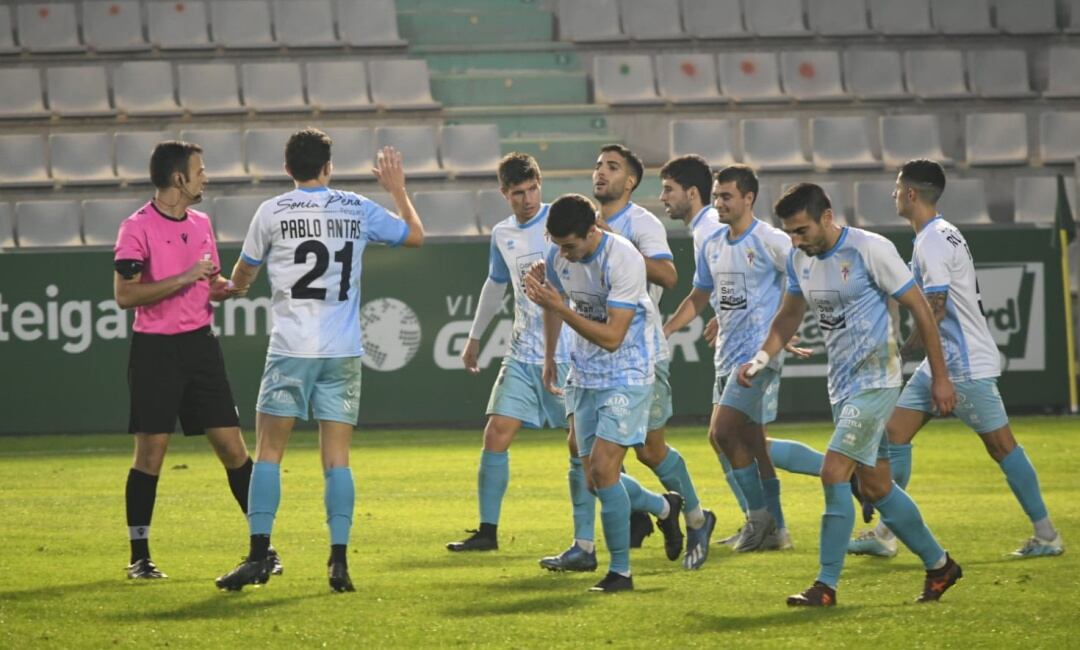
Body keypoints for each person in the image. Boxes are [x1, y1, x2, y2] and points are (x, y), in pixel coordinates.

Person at [214, 129, 424, 592]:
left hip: (290, 349)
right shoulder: (355, 207)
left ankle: (257, 557)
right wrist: (397, 191)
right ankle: (339, 563)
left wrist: (236, 286)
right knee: (337, 461)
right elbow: (414, 235)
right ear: (329, 167)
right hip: (342, 352)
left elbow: (245, 271)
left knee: (269, 454)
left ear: (288, 168)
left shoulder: (272, 211)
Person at [744, 182, 962, 606]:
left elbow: (920, 307)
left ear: (827, 217)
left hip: (877, 379)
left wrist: (940, 377)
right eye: (789, 232)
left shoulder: (869, 249)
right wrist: (760, 358)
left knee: (833, 473)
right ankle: (941, 566)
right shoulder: (798, 258)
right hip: (842, 384)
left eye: (801, 230)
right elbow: (787, 318)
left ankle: (825, 586)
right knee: (878, 486)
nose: (795, 240)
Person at [849, 160, 1064, 559]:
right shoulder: (943, 233)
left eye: (897, 188)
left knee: (1002, 447)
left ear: (911, 194)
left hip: (961, 365)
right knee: (893, 435)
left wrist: (933, 370)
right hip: (943, 360)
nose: (894, 194)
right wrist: (913, 352)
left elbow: (936, 308)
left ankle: (1047, 535)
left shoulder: (931, 241)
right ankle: (885, 532)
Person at [541, 145, 713, 571]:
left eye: (612, 167)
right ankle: (585, 544)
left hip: (639, 353)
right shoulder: (571, 227)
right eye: (598, 165)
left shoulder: (639, 225)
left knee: (650, 452)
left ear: (631, 181)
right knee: (583, 453)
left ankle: (689, 513)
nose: (601, 172)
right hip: (590, 356)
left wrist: (622, 252)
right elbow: (559, 300)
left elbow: (670, 277)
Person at [113, 140, 274, 580]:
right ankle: (140, 556)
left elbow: (210, 281)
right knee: (152, 453)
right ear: (178, 178)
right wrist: (184, 278)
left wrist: (226, 287)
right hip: (155, 352)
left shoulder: (201, 222)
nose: (206, 177)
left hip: (201, 347)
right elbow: (125, 295)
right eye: (199, 171)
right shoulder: (136, 227)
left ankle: (264, 548)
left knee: (233, 448)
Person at [524, 193, 682, 592]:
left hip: (627, 371)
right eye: (558, 245)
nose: (563, 253)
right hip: (584, 371)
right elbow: (552, 302)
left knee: (604, 467)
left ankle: (621, 573)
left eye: (570, 246)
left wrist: (559, 307)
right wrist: (549, 359)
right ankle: (666, 507)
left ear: (593, 230)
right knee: (592, 475)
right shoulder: (559, 254)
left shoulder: (623, 258)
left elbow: (613, 336)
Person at [663, 163, 823, 554]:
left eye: (726, 196)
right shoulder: (714, 243)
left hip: (757, 359)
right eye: (716, 196)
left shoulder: (770, 239)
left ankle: (758, 519)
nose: (718, 203)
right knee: (752, 442)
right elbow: (700, 294)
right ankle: (777, 531)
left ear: (748, 198)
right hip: (727, 356)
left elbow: (803, 279)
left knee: (721, 433)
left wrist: (780, 331)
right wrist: (665, 331)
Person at [445, 153, 575, 553]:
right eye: (518, 192)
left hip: (572, 355)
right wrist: (474, 337)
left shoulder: (565, 222)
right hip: (522, 352)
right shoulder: (503, 234)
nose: (529, 199)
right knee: (496, 433)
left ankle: (650, 508)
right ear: (505, 193)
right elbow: (496, 284)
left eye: (533, 188)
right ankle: (487, 531)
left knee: (589, 449)